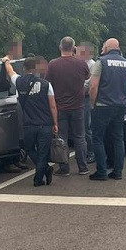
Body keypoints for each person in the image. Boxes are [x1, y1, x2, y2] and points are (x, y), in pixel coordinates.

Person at [2, 55, 58, 187]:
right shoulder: (46, 84)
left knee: (29, 148)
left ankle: (41, 175)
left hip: (29, 124)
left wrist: (6, 61)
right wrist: (55, 123)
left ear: (24, 68)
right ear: (36, 68)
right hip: (45, 123)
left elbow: (10, 72)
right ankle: (41, 175)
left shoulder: (19, 81)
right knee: (43, 152)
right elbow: (53, 106)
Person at [88, 38, 126, 181]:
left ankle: (101, 171)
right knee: (118, 139)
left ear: (107, 47)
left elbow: (93, 86)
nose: (102, 48)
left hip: (102, 105)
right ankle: (118, 171)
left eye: (103, 46)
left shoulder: (101, 62)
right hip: (120, 106)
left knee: (97, 138)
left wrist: (92, 103)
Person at [47, 37, 91, 176]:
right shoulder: (81, 63)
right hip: (78, 106)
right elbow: (87, 76)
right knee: (80, 137)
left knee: (62, 138)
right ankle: (83, 167)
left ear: (60, 47)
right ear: (74, 48)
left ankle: (64, 168)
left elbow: (48, 82)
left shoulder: (53, 64)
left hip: (60, 107)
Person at [0, 40, 29, 173]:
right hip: (5, 102)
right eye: (18, 49)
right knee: (10, 134)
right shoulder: (3, 64)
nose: (20, 51)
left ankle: (16, 159)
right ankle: (9, 162)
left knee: (18, 134)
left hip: (16, 101)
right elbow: (4, 81)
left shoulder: (15, 63)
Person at [77, 42, 96, 165]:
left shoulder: (92, 65)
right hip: (78, 97)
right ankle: (83, 152)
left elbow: (88, 83)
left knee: (86, 127)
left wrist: (77, 87)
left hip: (86, 97)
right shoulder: (80, 63)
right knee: (80, 127)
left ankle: (91, 152)